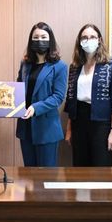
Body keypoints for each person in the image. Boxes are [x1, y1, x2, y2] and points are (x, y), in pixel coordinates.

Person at [64, 24, 112, 166]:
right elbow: (71, 99)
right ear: (80, 42)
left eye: (92, 37)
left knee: (101, 168)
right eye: (84, 37)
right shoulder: (75, 67)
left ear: (99, 40)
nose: (88, 40)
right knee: (80, 167)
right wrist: (69, 129)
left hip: (102, 124)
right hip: (79, 122)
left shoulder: (110, 65)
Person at [15, 22, 68, 167]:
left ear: (50, 40)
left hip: (46, 129)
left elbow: (58, 97)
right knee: (28, 174)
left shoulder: (60, 66)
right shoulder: (25, 64)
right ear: (31, 40)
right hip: (25, 127)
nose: (40, 40)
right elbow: (18, 88)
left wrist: (36, 108)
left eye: (44, 37)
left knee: (46, 175)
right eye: (36, 37)